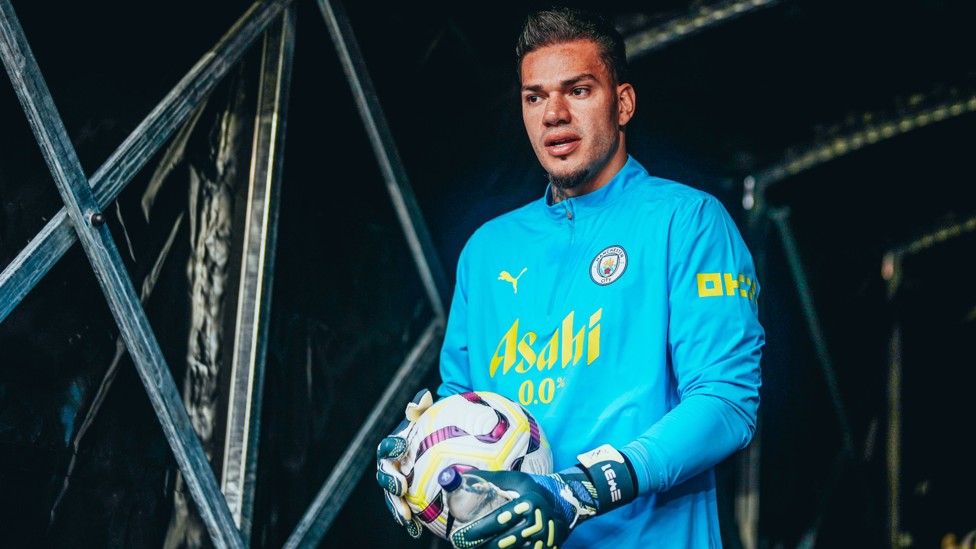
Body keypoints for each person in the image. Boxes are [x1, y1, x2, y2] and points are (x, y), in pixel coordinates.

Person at [377, 6, 764, 548]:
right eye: (534, 97)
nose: (553, 114)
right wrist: (419, 454)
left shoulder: (688, 222)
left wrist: (583, 489)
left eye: (577, 91)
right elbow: (464, 403)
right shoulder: (487, 251)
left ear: (622, 102)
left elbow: (726, 403)